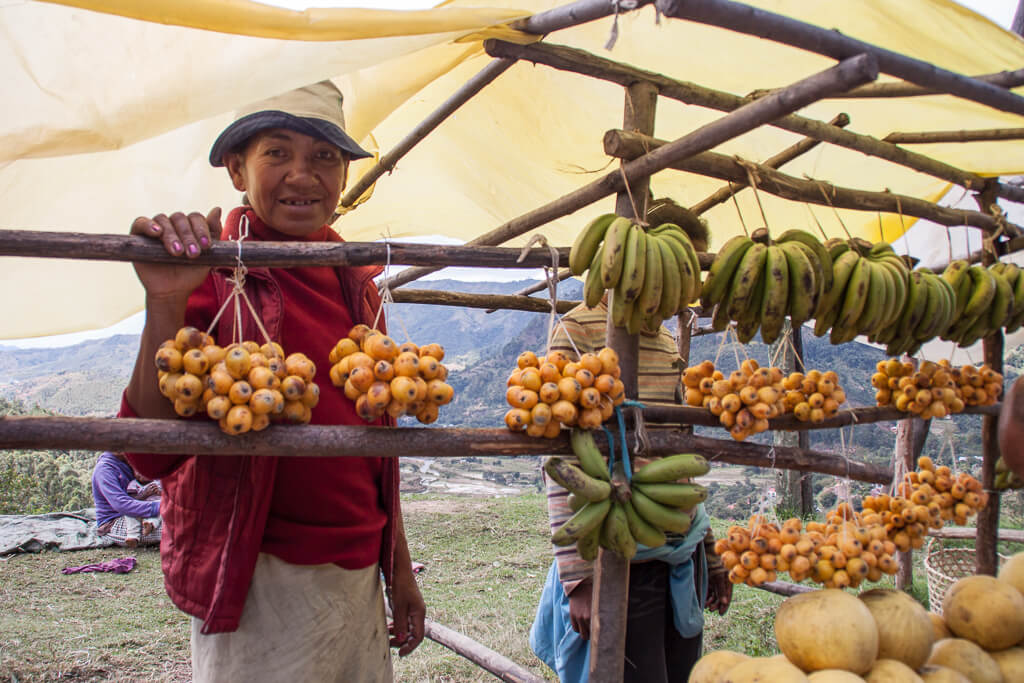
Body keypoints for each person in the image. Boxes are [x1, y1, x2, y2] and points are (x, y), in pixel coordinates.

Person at [118, 81, 424, 681]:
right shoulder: (208, 270)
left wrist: (399, 571)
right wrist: (167, 302)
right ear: (237, 169)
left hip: (357, 569)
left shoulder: (356, 282)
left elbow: (374, 453)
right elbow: (147, 455)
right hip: (256, 575)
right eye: (277, 153)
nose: (302, 176)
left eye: (324, 158)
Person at [530, 201, 729, 683]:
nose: (689, 289)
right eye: (685, 271)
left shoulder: (665, 343)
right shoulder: (578, 331)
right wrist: (576, 575)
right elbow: (560, 459)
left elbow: (678, 459)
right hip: (617, 554)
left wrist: (712, 553)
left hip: (678, 551)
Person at [91, 451, 162, 548]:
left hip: (140, 510)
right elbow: (122, 504)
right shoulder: (104, 469)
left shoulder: (129, 460)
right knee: (180, 526)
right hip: (115, 522)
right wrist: (162, 506)